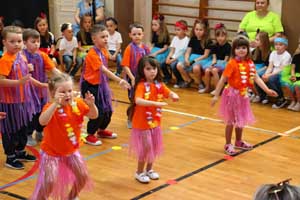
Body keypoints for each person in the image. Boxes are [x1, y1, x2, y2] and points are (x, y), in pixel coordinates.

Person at [31, 73, 98, 200]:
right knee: (49, 182)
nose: (68, 94)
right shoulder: (51, 108)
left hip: (71, 152)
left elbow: (94, 116)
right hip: (51, 153)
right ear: (53, 93)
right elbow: (42, 121)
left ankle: (71, 197)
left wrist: (91, 105)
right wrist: (55, 103)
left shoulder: (77, 104)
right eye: (63, 92)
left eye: (70, 90)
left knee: (82, 176)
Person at [211, 36, 277, 156]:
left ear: (248, 49)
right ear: (234, 50)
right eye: (238, 48)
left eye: (244, 47)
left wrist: (267, 90)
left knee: (240, 119)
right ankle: (227, 143)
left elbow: (256, 77)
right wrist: (216, 95)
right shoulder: (232, 63)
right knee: (231, 121)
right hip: (231, 95)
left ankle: (238, 141)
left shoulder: (250, 63)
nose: (241, 50)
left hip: (243, 95)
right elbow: (222, 79)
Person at [128, 56, 179, 183]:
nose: (152, 71)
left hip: (155, 123)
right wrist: (155, 104)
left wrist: (173, 95)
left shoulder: (159, 85)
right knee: (146, 147)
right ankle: (139, 172)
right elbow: (138, 100)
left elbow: (168, 92)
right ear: (142, 70)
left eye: (154, 68)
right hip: (142, 123)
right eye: (148, 69)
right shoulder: (140, 85)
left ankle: (149, 170)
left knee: (154, 146)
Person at [0, 26, 43, 169]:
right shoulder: (5, 60)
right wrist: (19, 82)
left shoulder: (21, 56)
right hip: (9, 102)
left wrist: (41, 84)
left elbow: (27, 78)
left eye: (19, 41)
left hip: (23, 100)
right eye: (12, 41)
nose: (17, 44)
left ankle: (20, 151)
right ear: (4, 42)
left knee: (22, 129)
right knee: (10, 130)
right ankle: (10, 157)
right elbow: (1, 80)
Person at [81, 24, 131, 146]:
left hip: (101, 85)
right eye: (102, 37)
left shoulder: (103, 50)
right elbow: (104, 70)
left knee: (108, 110)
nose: (106, 39)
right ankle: (90, 134)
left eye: (106, 36)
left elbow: (109, 59)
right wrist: (119, 80)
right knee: (97, 112)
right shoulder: (92, 54)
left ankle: (101, 130)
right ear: (94, 39)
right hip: (91, 86)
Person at [22, 28, 61, 146]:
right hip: (28, 91)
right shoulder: (22, 57)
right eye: (33, 42)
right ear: (24, 43)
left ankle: (39, 131)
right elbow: (26, 77)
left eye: (38, 41)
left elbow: (53, 70)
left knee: (43, 111)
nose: (36, 44)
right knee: (31, 113)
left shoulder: (42, 55)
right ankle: (28, 134)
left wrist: (64, 79)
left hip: (42, 91)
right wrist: (42, 85)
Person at [121, 23, 150, 129]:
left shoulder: (146, 49)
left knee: (143, 100)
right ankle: (130, 118)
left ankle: (141, 118)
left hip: (144, 79)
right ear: (130, 35)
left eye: (139, 34)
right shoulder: (129, 49)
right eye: (134, 34)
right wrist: (132, 78)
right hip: (132, 78)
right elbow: (125, 65)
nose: (137, 36)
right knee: (134, 101)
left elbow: (150, 63)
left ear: (143, 35)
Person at [177, 19, 212, 90]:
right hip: (193, 57)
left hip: (203, 59)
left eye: (200, 30)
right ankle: (189, 80)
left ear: (205, 31)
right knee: (179, 65)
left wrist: (194, 61)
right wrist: (186, 59)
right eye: (196, 29)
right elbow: (188, 51)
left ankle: (200, 83)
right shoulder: (193, 39)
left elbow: (205, 55)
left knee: (196, 68)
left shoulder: (208, 41)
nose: (198, 32)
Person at [262, 37, 292, 108]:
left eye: (280, 45)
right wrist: (266, 74)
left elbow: (281, 69)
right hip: (273, 71)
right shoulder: (273, 53)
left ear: (285, 46)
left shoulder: (287, 55)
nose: (277, 46)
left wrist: (269, 75)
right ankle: (263, 96)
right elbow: (270, 66)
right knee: (261, 75)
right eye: (276, 44)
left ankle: (281, 98)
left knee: (272, 79)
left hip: (282, 73)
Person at [202, 23, 231, 95]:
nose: (220, 38)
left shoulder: (228, 46)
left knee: (214, 70)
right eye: (218, 36)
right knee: (207, 70)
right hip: (216, 62)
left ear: (226, 36)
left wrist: (216, 66)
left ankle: (217, 89)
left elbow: (226, 60)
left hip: (224, 63)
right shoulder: (214, 45)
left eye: (222, 36)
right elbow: (214, 58)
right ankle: (207, 87)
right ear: (215, 37)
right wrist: (213, 64)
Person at [165, 20, 190, 88]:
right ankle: (167, 78)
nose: (176, 31)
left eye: (178, 30)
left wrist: (172, 60)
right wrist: (168, 58)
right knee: (163, 64)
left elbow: (181, 53)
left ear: (184, 31)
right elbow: (172, 51)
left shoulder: (186, 40)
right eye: (175, 30)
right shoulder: (175, 38)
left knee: (173, 65)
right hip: (174, 57)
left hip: (181, 57)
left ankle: (180, 81)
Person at [251, 31, 271, 103]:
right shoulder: (255, 51)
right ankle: (255, 93)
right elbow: (252, 62)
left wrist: (257, 71)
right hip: (256, 67)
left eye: (257, 40)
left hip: (265, 68)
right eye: (255, 39)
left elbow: (267, 66)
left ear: (263, 41)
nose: (255, 41)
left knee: (257, 75)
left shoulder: (269, 52)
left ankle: (262, 95)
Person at [149, 13, 170, 83]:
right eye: (152, 25)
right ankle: (153, 76)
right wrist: (149, 51)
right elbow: (152, 45)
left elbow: (165, 48)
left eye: (155, 25)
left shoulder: (165, 34)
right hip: (155, 49)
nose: (153, 27)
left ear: (160, 26)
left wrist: (156, 53)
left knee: (158, 62)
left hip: (163, 51)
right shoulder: (154, 33)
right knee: (148, 59)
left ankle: (166, 76)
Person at [281, 38, 300, 111]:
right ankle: (293, 101)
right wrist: (293, 75)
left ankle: (299, 102)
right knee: (286, 83)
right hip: (296, 75)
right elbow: (292, 68)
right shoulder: (296, 56)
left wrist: (297, 79)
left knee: (297, 85)